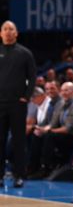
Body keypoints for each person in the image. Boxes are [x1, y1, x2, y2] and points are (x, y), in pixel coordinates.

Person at [0, 21, 36, 188]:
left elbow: (33, 77)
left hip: (17, 104)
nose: (8, 32)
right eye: (5, 29)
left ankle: (19, 175)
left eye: (11, 29)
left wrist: (27, 97)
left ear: (16, 33)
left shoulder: (25, 53)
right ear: (1, 33)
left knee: (18, 141)